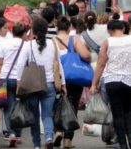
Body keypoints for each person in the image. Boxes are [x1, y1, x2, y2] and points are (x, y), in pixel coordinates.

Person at [16, 17, 66, 149]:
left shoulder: (28, 45)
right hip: (50, 85)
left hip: (32, 86)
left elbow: (20, 66)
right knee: (47, 115)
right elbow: (58, 65)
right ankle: (49, 137)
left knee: (34, 117)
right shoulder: (53, 43)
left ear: (33, 30)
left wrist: (18, 84)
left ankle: (37, 144)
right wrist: (63, 84)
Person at [90, 20, 131, 149]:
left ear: (109, 30)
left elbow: (101, 64)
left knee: (117, 114)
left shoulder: (107, 42)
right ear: (123, 28)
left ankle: (123, 144)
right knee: (129, 112)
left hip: (112, 81)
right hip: (129, 81)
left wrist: (94, 84)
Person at [53, 16, 91, 148]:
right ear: (69, 28)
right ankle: (68, 139)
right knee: (72, 106)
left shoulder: (51, 41)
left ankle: (57, 131)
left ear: (57, 28)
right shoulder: (74, 39)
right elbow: (85, 55)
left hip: (56, 78)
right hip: (73, 78)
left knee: (57, 105)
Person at [0, 21, 26, 147]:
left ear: (13, 31)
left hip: (6, 78)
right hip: (21, 79)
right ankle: (19, 135)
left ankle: (11, 134)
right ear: (24, 33)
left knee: (7, 108)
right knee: (20, 106)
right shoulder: (26, 45)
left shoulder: (5, 43)